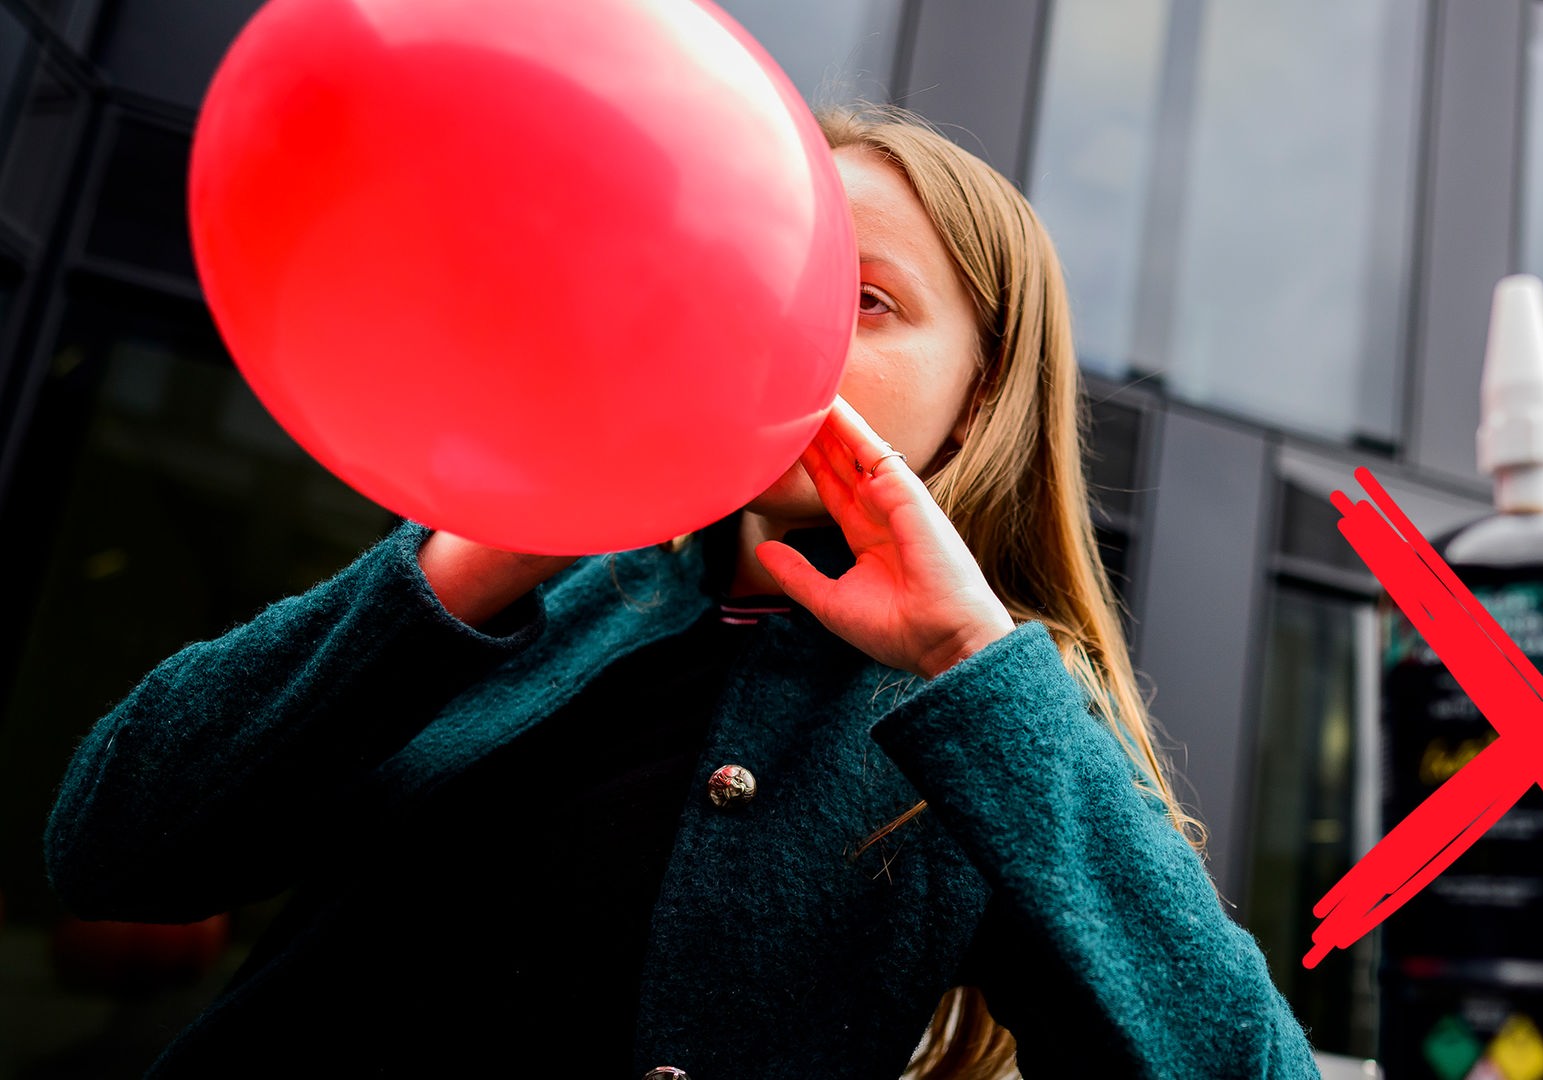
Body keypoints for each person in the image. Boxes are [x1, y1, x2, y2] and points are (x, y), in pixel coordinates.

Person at [43, 102, 1321, 1079]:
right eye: (775, 273)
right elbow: (111, 848)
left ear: (980, 399)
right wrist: (484, 552)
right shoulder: (513, 588)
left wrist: (972, 659)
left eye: (867, 300)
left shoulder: (993, 712)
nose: (797, 324)